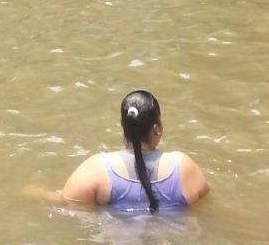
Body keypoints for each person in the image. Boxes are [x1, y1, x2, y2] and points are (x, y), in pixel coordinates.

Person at [54, 90, 209, 212]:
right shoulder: (183, 167)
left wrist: (35, 192)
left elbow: (65, 202)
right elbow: (205, 201)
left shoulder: (98, 169)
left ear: (123, 126)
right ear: (157, 129)